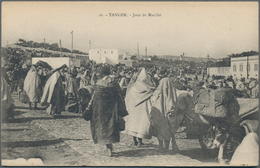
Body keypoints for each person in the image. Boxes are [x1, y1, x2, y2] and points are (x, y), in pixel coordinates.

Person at [84, 65, 128, 156]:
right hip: (112, 109)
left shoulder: (99, 83)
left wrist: (89, 108)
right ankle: (110, 148)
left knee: (104, 128)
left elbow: (93, 97)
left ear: (102, 73)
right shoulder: (114, 82)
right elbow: (119, 95)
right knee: (111, 127)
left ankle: (108, 148)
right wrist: (122, 108)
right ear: (109, 72)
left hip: (101, 110)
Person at [124, 68, 156, 146]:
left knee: (134, 124)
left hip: (133, 110)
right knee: (141, 124)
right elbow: (153, 101)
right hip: (143, 111)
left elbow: (127, 99)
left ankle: (134, 141)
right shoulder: (148, 90)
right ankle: (140, 141)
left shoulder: (133, 89)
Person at [150, 77, 180, 152]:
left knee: (160, 131)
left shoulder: (157, 92)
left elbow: (152, 102)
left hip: (159, 116)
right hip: (169, 115)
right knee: (168, 131)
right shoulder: (172, 92)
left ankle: (161, 147)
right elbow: (174, 104)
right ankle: (166, 147)